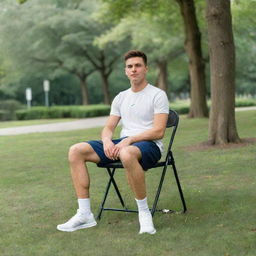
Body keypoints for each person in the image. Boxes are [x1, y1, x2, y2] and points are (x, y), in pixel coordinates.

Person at [57, 50, 169, 234]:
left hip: (149, 145)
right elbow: (108, 127)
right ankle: (85, 214)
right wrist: (107, 141)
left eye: (138, 65)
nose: (134, 70)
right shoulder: (121, 97)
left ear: (146, 69)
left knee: (126, 152)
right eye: (130, 66)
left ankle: (144, 213)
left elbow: (159, 131)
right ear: (125, 71)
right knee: (76, 150)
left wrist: (130, 140)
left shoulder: (157, 95)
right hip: (123, 143)